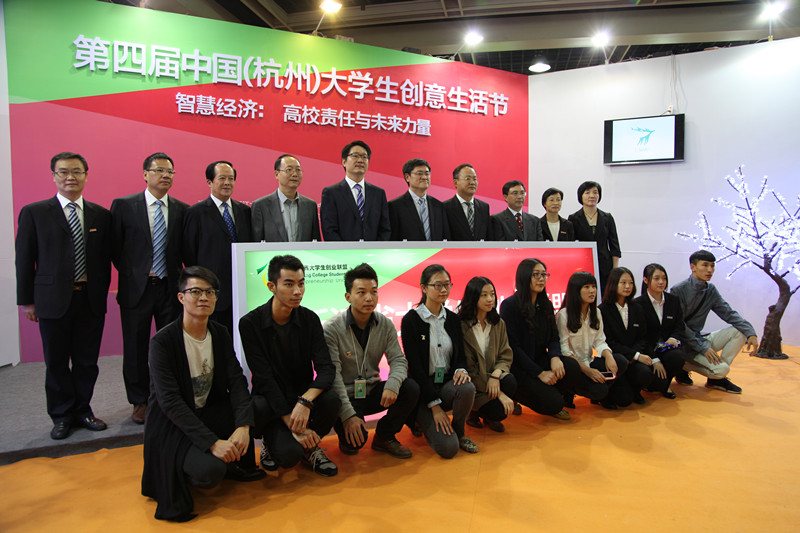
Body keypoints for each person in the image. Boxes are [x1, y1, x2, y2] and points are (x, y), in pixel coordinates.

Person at [141, 266, 264, 522]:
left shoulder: (219, 333)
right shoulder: (162, 342)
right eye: (195, 292)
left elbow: (237, 381)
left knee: (258, 408)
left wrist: (243, 426)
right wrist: (212, 443)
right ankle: (184, 470)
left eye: (210, 292)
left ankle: (230, 457)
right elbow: (170, 402)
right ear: (181, 297)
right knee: (211, 471)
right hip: (173, 424)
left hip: (208, 410)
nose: (203, 298)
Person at [15, 152, 112, 440]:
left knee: (87, 361)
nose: (70, 177)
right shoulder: (35, 212)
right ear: (54, 176)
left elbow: (105, 257)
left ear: (86, 175)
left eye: (77, 171)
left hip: (89, 299)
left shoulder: (100, 215)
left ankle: (83, 410)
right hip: (51, 300)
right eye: (63, 172)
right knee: (56, 362)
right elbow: (24, 260)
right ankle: (61, 415)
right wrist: (27, 301)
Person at [239, 255, 341, 477]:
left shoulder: (310, 319)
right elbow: (264, 378)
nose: (297, 291)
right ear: (271, 287)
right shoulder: (250, 323)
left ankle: (311, 446)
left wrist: (305, 401)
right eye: (289, 284)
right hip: (272, 403)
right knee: (287, 456)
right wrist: (291, 421)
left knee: (332, 399)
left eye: (301, 283)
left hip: (302, 399)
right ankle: (271, 441)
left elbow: (326, 369)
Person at [111, 152, 188, 424]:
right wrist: (136, 273)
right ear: (145, 174)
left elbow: (184, 250)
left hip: (170, 288)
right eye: (159, 170)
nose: (165, 175)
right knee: (135, 347)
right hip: (137, 289)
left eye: (170, 171)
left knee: (171, 346)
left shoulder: (182, 209)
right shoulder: (124, 206)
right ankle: (139, 400)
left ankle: (167, 397)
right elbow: (115, 248)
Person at [323, 263, 419, 459]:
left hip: (373, 391)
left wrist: (392, 384)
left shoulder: (385, 324)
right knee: (353, 445)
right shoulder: (332, 329)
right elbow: (333, 376)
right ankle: (347, 428)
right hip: (347, 396)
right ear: (348, 297)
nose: (369, 298)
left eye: (374, 292)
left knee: (410, 388)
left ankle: (384, 436)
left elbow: (398, 360)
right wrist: (348, 415)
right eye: (361, 292)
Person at [401, 264, 478, 458]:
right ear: (424, 288)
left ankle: (459, 432)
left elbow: (460, 356)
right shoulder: (411, 320)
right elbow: (415, 369)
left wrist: (461, 370)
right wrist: (435, 407)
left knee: (467, 387)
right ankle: (418, 420)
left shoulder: (452, 319)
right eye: (438, 285)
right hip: (422, 392)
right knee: (448, 449)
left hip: (445, 385)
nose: (444, 289)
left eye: (447, 284)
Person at [499, 259, 580, 420]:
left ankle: (548, 394)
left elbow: (554, 338)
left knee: (571, 367)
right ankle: (516, 395)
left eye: (544, 274)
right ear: (524, 277)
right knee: (555, 403)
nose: (541, 279)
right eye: (536, 275)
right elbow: (513, 348)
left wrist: (555, 357)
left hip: (540, 360)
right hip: (520, 368)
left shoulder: (546, 304)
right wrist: (540, 373)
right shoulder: (509, 306)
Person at [670, 250, 759, 393]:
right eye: (705, 265)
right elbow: (679, 325)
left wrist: (751, 333)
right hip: (684, 344)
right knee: (722, 369)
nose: (710, 270)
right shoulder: (679, 289)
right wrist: (702, 348)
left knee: (739, 331)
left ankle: (716, 379)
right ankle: (683, 366)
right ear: (693, 267)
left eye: (712, 266)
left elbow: (728, 313)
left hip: (700, 338)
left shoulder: (710, 290)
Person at [182, 161, 252, 334]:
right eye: (222, 178)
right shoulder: (196, 213)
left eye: (231, 179)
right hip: (212, 290)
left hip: (242, 288)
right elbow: (189, 253)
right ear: (209, 182)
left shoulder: (245, 211)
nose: (227, 183)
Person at [556, 271, 629, 410]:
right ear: (576, 290)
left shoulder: (596, 312)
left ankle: (601, 391)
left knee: (621, 361)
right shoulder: (564, 315)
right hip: (574, 367)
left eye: (594, 287)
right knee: (599, 391)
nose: (592, 291)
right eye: (587, 287)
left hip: (590, 361)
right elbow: (564, 351)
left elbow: (600, 341)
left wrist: (609, 356)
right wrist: (588, 371)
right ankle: (569, 391)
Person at [458, 276, 517, 432]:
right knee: (499, 410)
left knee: (510, 381)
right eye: (484, 295)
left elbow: (505, 355)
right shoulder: (462, 326)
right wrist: (500, 394)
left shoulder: (498, 323)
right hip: (474, 385)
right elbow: (469, 368)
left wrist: (496, 375)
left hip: (493, 379)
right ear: (473, 297)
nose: (490, 299)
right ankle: (473, 412)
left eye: (492, 294)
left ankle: (489, 416)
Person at [598, 267, 656, 405]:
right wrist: (634, 355)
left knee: (646, 374)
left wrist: (635, 355)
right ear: (613, 284)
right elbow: (609, 341)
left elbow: (642, 336)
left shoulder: (636, 307)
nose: (628, 286)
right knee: (624, 400)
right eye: (623, 283)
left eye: (630, 283)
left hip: (633, 358)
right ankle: (607, 395)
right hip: (616, 359)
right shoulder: (603, 309)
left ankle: (635, 390)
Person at [633, 263, 691, 399]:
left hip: (666, 348)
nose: (661, 282)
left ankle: (666, 383)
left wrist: (673, 339)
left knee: (678, 357)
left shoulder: (673, 300)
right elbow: (639, 336)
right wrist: (654, 359)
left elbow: (679, 326)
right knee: (650, 381)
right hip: (647, 350)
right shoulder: (637, 304)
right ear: (646, 280)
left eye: (664, 278)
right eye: (657, 278)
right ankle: (655, 382)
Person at [320, 140, 391, 241]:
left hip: (373, 250)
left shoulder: (378, 193)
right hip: (343, 250)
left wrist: (375, 248)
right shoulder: (331, 193)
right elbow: (329, 230)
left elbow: (385, 229)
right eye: (355, 156)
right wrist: (345, 250)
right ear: (344, 162)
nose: (360, 160)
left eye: (364, 157)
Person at [251, 154, 321, 242]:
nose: (295, 174)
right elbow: (255, 243)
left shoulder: (310, 206)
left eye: (298, 170)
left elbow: (315, 242)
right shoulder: (261, 206)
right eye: (289, 170)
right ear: (277, 174)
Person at [568, 181, 620, 293]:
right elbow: (571, 245)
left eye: (595, 192)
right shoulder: (574, 218)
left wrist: (614, 271)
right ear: (581, 196)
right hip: (583, 265)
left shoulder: (607, 217)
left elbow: (614, 246)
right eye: (587, 193)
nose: (592, 196)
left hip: (605, 266)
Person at [389, 158, 450, 241]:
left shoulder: (438, 206)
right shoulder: (394, 206)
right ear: (407, 177)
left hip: (435, 249)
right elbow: (392, 239)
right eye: (419, 173)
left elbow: (446, 237)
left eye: (427, 174)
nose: (424, 177)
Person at [443, 163, 494, 241]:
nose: (472, 182)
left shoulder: (484, 207)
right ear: (456, 182)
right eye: (468, 179)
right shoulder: (445, 207)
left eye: (475, 179)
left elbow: (489, 238)